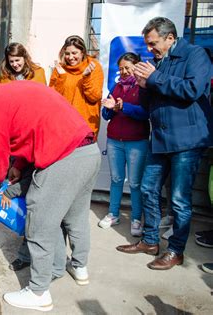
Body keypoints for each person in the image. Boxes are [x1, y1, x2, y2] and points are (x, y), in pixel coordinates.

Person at [0, 80, 100, 311]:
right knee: (75, 217)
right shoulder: (11, 91)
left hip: (62, 158)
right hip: (88, 151)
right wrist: (20, 165)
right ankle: (77, 268)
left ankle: (38, 292)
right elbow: (30, 128)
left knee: (39, 224)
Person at [116, 17, 213, 270]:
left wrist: (155, 78)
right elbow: (150, 105)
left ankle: (176, 250)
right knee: (148, 189)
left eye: (153, 43)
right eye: (148, 45)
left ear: (170, 38)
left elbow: (192, 89)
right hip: (159, 139)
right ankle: (149, 241)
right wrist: (144, 86)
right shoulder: (158, 63)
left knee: (179, 200)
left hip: (187, 140)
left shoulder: (196, 55)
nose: (150, 49)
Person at [98, 52, 150, 236]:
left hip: (137, 142)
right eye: (121, 68)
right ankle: (113, 214)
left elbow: (145, 113)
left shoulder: (143, 87)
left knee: (135, 183)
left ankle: (136, 218)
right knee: (116, 179)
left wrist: (123, 107)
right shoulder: (117, 86)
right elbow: (106, 116)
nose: (124, 71)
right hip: (114, 141)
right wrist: (109, 108)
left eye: (128, 67)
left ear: (137, 66)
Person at [49, 35, 104, 138]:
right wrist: (61, 77)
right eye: (67, 54)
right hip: (63, 128)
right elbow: (53, 99)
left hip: (85, 129)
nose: (70, 57)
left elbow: (94, 97)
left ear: (82, 52)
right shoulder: (60, 69)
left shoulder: (94, 66)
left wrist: (86, 78)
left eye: (74, 53)